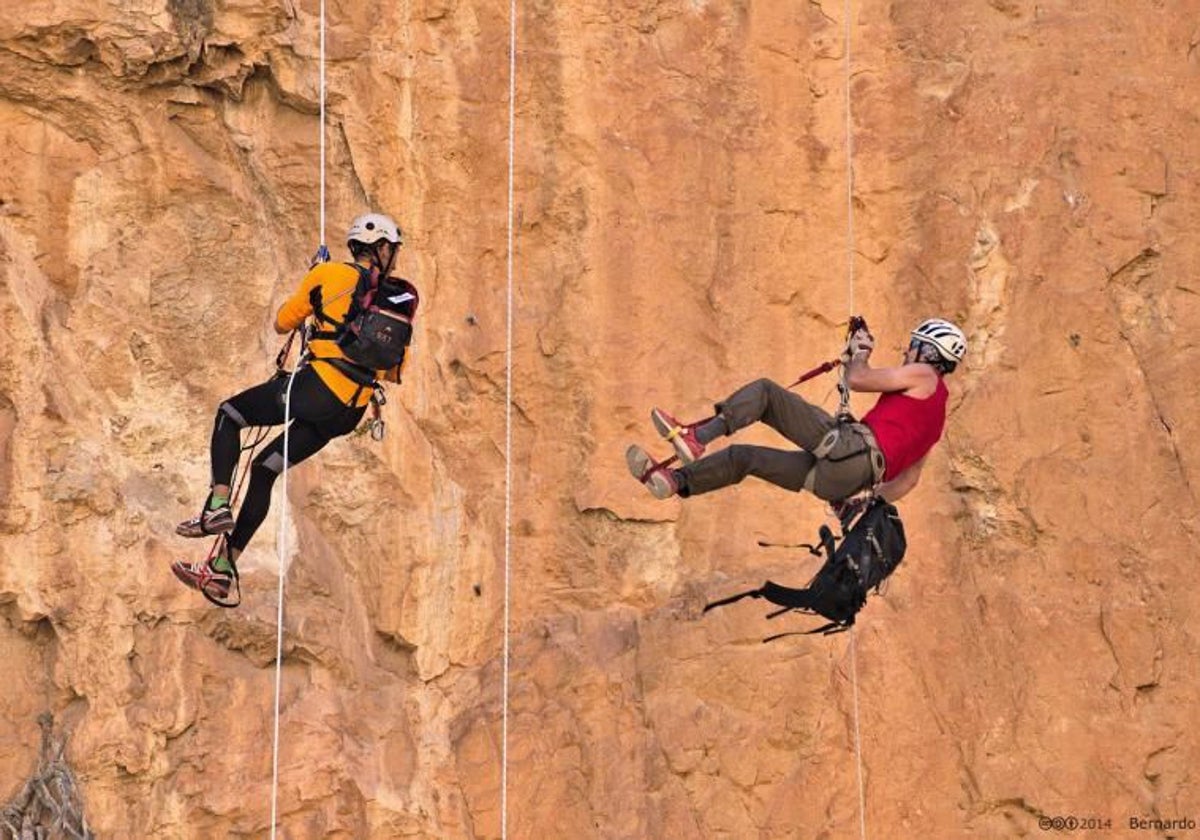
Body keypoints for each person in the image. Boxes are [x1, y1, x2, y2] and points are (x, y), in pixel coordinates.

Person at [171, 213, 418, 601]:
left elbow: (283, 323)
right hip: (349, 410)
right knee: (264, 468)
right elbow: (392, 368)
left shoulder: (331, 275)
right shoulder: (394, 299)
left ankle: (218, 503)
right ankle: (222, 569)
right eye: (394, 249)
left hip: (318, 388)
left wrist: (314, 282)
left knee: (230, 414)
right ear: (381, 250)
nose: (396, 257)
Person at [627, 318, 966, 507]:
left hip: (850, 450)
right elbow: (909, 479)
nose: (907, 351)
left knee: (765, 394)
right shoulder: (936, 421)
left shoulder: (925, 374)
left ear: (928, 350)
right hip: (845, 482)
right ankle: (675, 481)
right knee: (745, 458)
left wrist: (860, 351)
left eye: (914, 345)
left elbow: (858, 378)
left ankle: (695, 438)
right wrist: (863, 503)